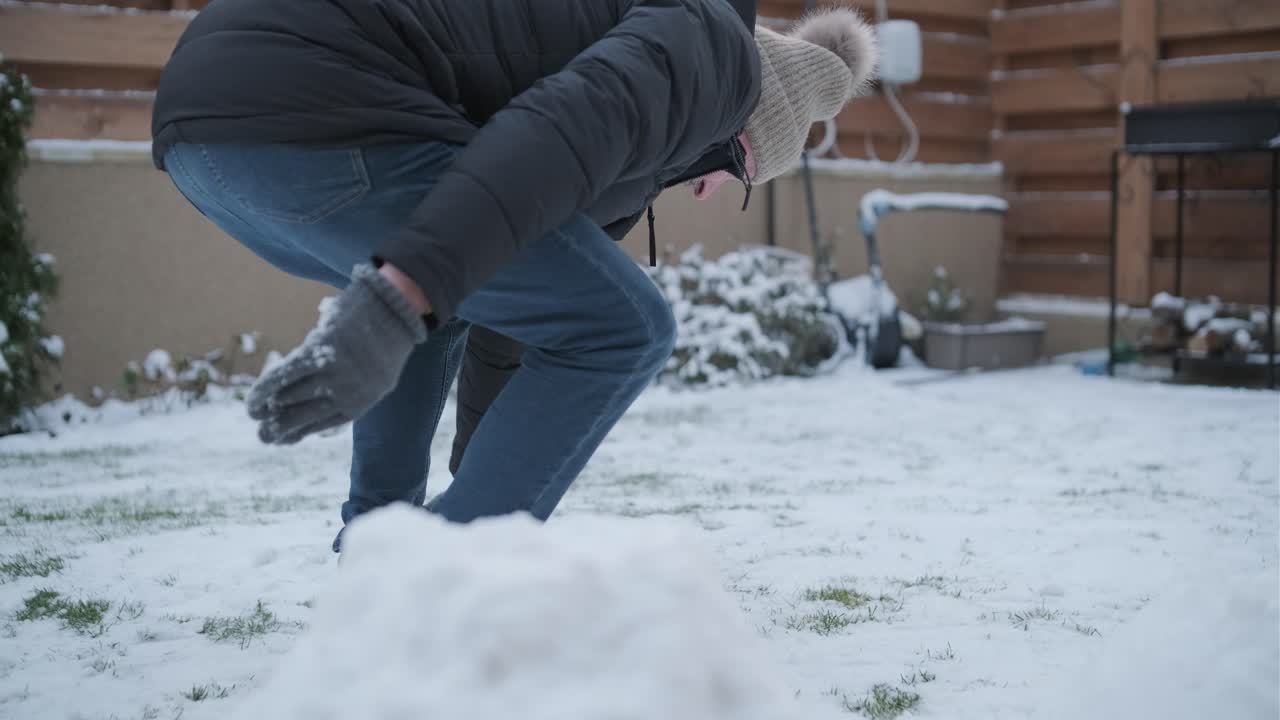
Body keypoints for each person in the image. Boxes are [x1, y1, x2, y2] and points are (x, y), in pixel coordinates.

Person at [151, 0, 877, 548]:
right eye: (739, 172)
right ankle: (440, 580)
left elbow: (509, 303)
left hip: (209, 130)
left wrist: (482, 471)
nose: (708, 190)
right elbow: (558, 132)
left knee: (459, 290)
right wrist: (400, 296)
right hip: (312, 102)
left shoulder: (638, 41)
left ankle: (376, 547)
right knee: (628, 326)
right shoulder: (713, 48)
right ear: (745, 127)